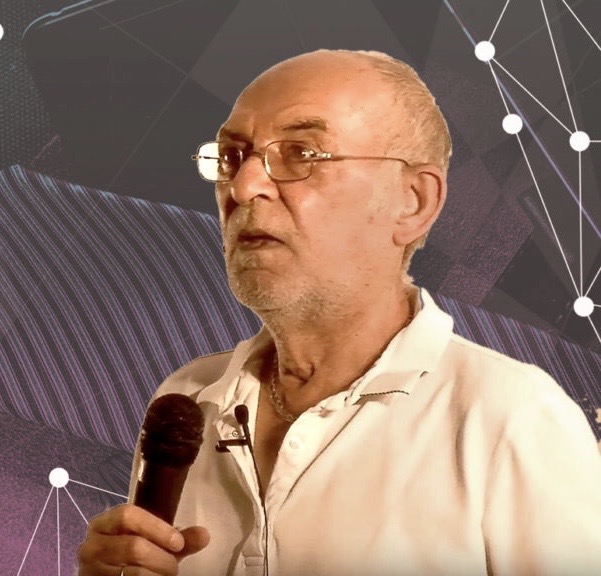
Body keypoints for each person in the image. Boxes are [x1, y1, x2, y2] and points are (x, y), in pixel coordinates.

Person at [78, 49, 601, 576]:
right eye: (232, 157)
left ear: (414, 202)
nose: (243, 187)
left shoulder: (510, 417)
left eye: (301, 153)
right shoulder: (189, 399)